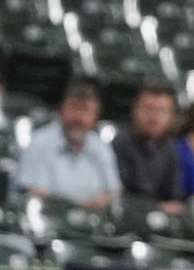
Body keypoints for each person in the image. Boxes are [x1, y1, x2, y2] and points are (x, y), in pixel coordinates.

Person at [13, 79, 121, 208]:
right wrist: (76, 208)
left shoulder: (101, 148)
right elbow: (32, 191)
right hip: (46, 220)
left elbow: (113, 192)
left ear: (95, 117)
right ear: (61, 110)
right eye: (74, 108)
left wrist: (97, 204)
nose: (79, 117)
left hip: (91, 222)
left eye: (85, 110)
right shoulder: (39, 143)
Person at [112, 80, 183, 208]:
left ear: (171, 116)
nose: (154, 116)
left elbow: (173, 195)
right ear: (134, 110)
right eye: (148, 108)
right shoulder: (120, 145)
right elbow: (120, 196)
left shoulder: (169, 148)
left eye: (161, 110)